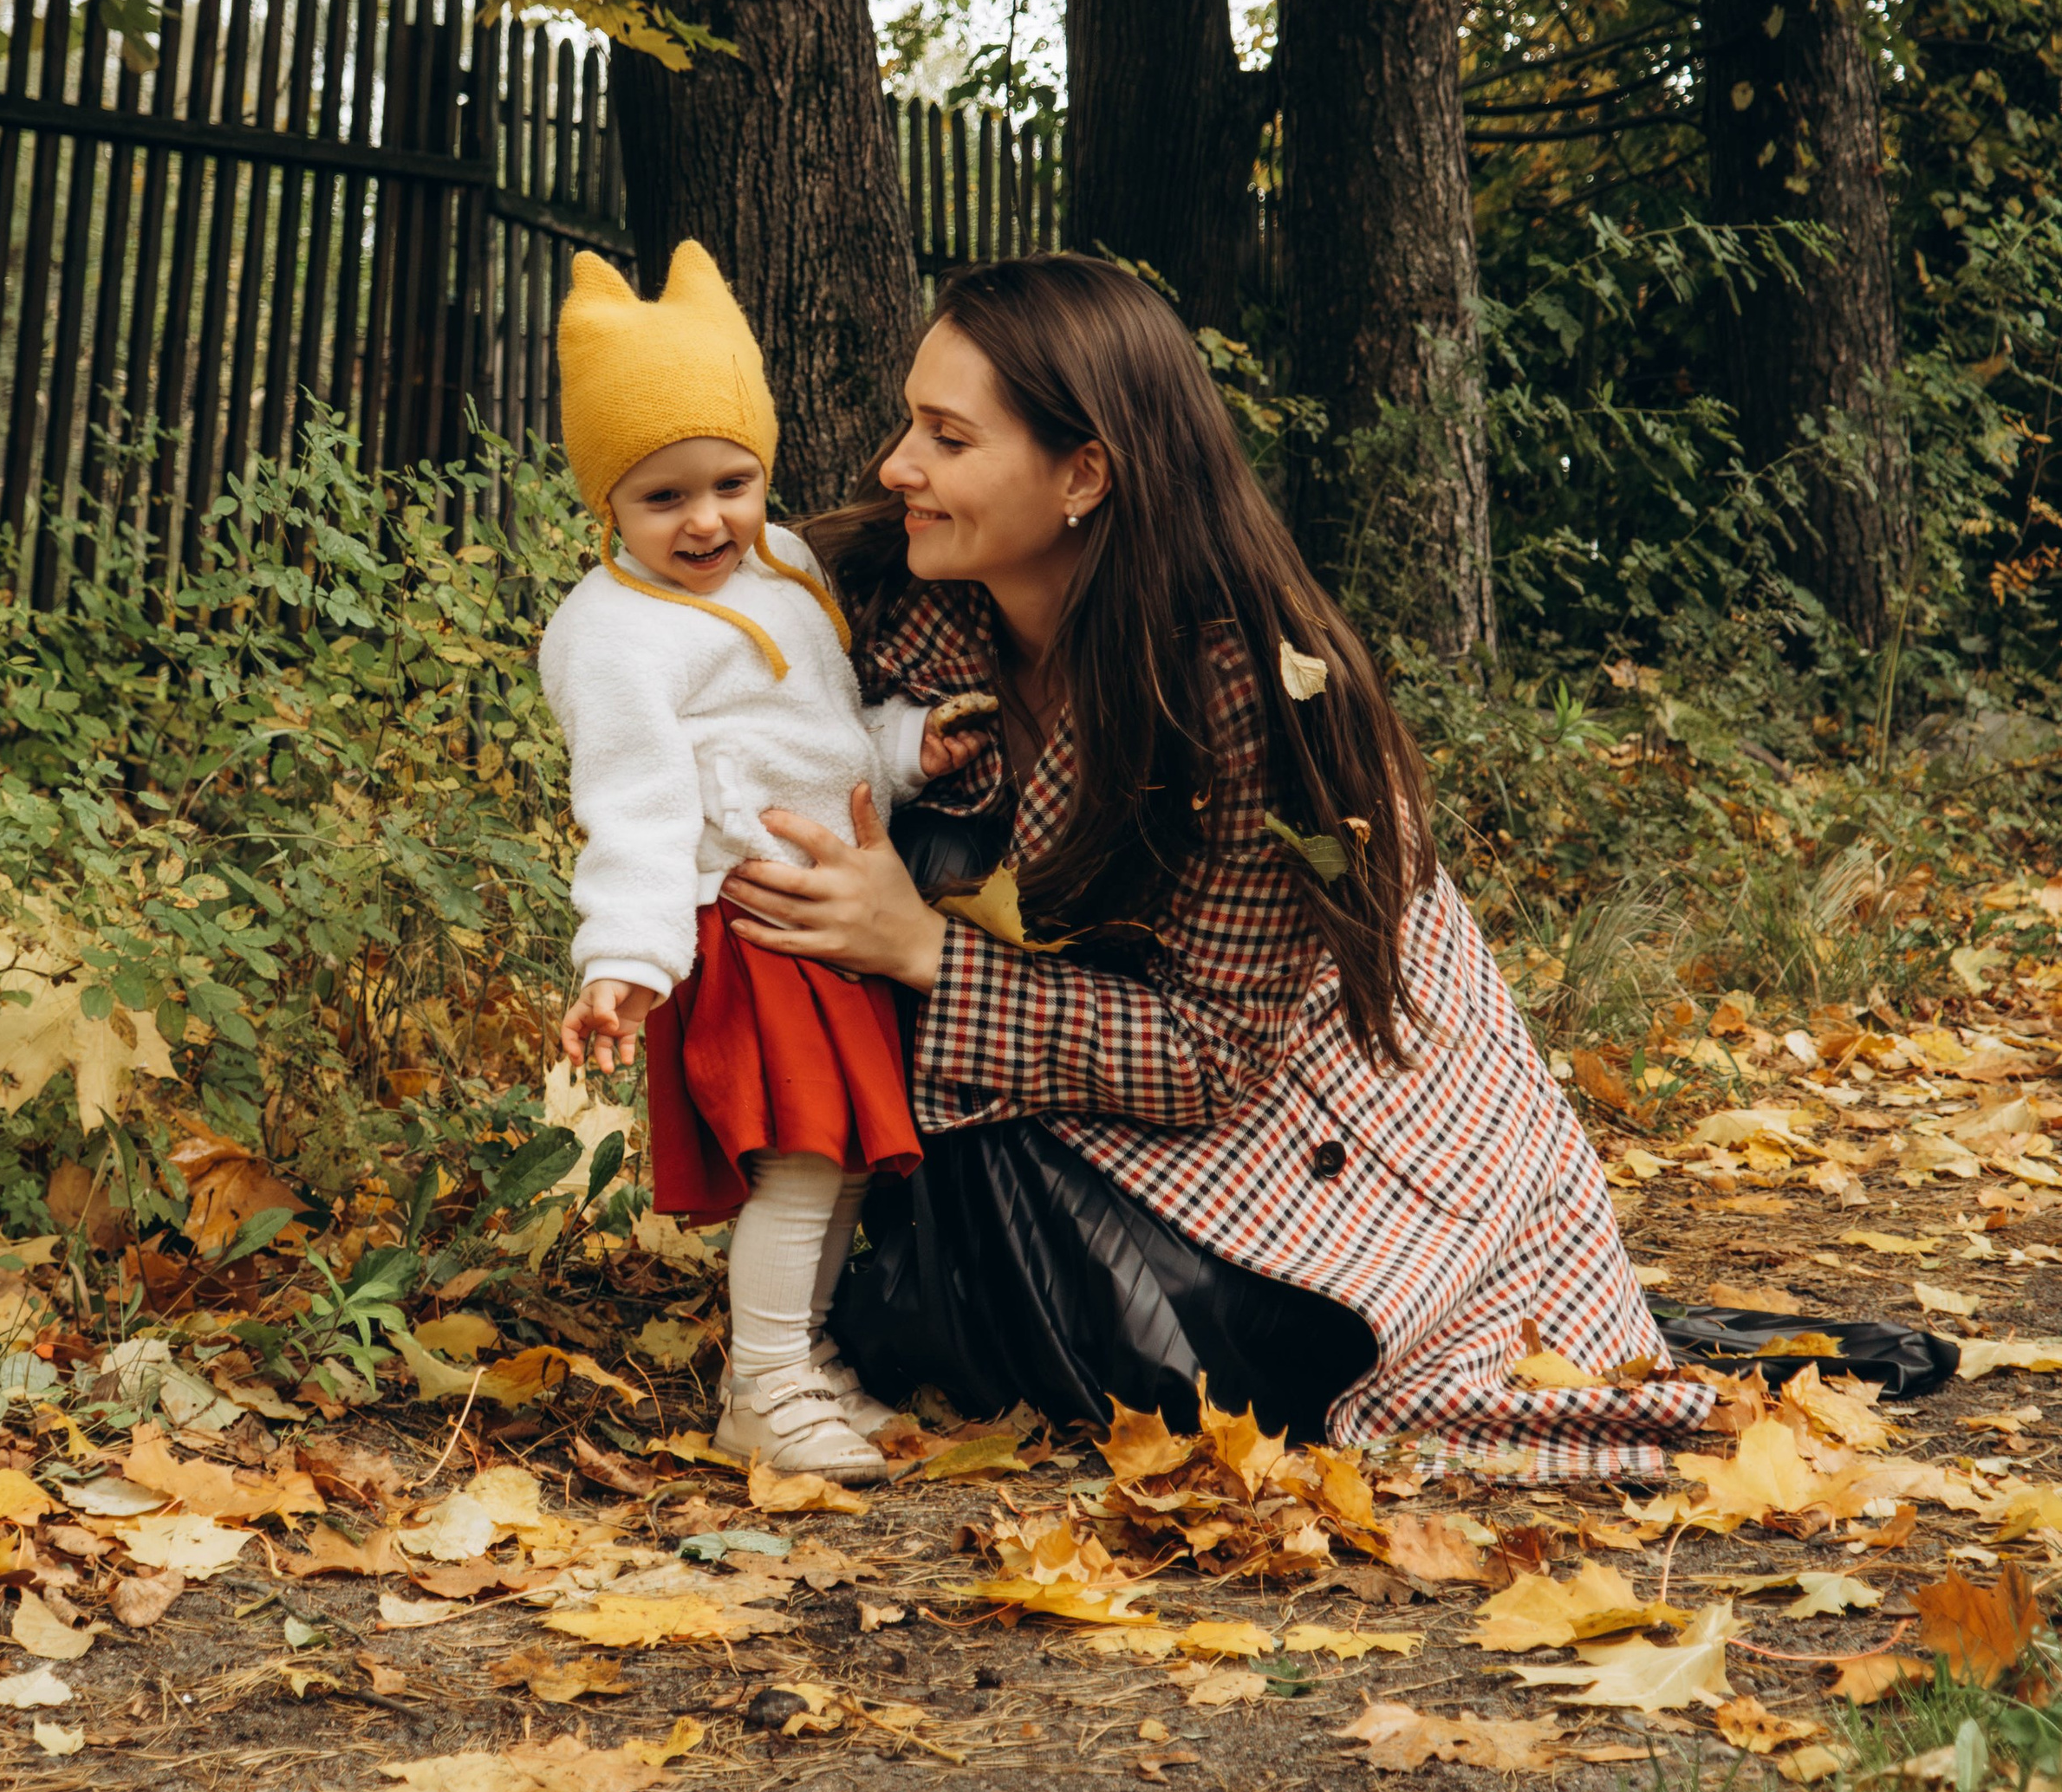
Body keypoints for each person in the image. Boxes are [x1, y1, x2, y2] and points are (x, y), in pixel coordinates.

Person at [718, 253, 1720, 1477]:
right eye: (908, 421)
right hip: (1062, 1049)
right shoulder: (878, 596)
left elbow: (1213, 1056)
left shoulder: (1257, 690)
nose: (895, 466)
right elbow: (667, 665)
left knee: (1196, 1363)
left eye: (946, 436)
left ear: (1085, 473)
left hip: (1326, 1108)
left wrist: (919, 948)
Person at [537, 243, 985, 1484]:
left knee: (840, 1155)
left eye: (731, 482)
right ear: (607, 505)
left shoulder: (782, 563)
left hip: (833, 906)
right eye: (660, 496)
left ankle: (790, 1360)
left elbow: (813, 728)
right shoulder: (614, 636)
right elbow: (631, 804)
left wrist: (902, 749)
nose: (707, 521)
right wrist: (626, 958)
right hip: (747, 924)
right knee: (797, 1160)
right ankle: (767, 1381)